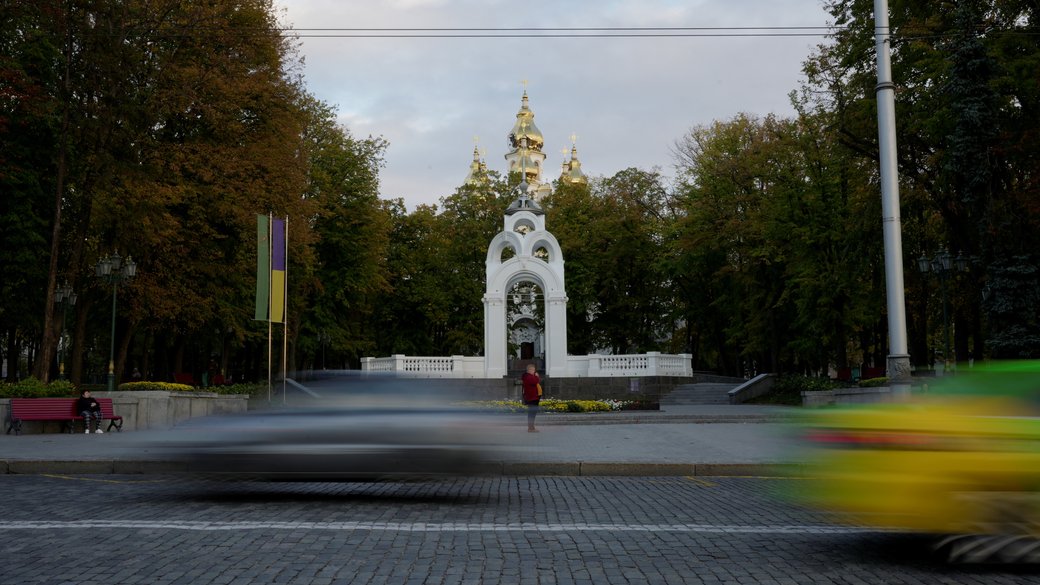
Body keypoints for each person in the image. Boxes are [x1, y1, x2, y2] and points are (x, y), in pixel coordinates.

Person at [521, 363, 542, 433]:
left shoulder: (529, 376)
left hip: (534, 397)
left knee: (532, 413)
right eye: (533, 370)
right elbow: (535, 381)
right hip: (532, 397)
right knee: (532, 413)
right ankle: (531, 428)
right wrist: (537, 376)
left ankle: (532, 427)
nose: (534, 371)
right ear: (529, 370)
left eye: (534, 370)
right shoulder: (528, 376)